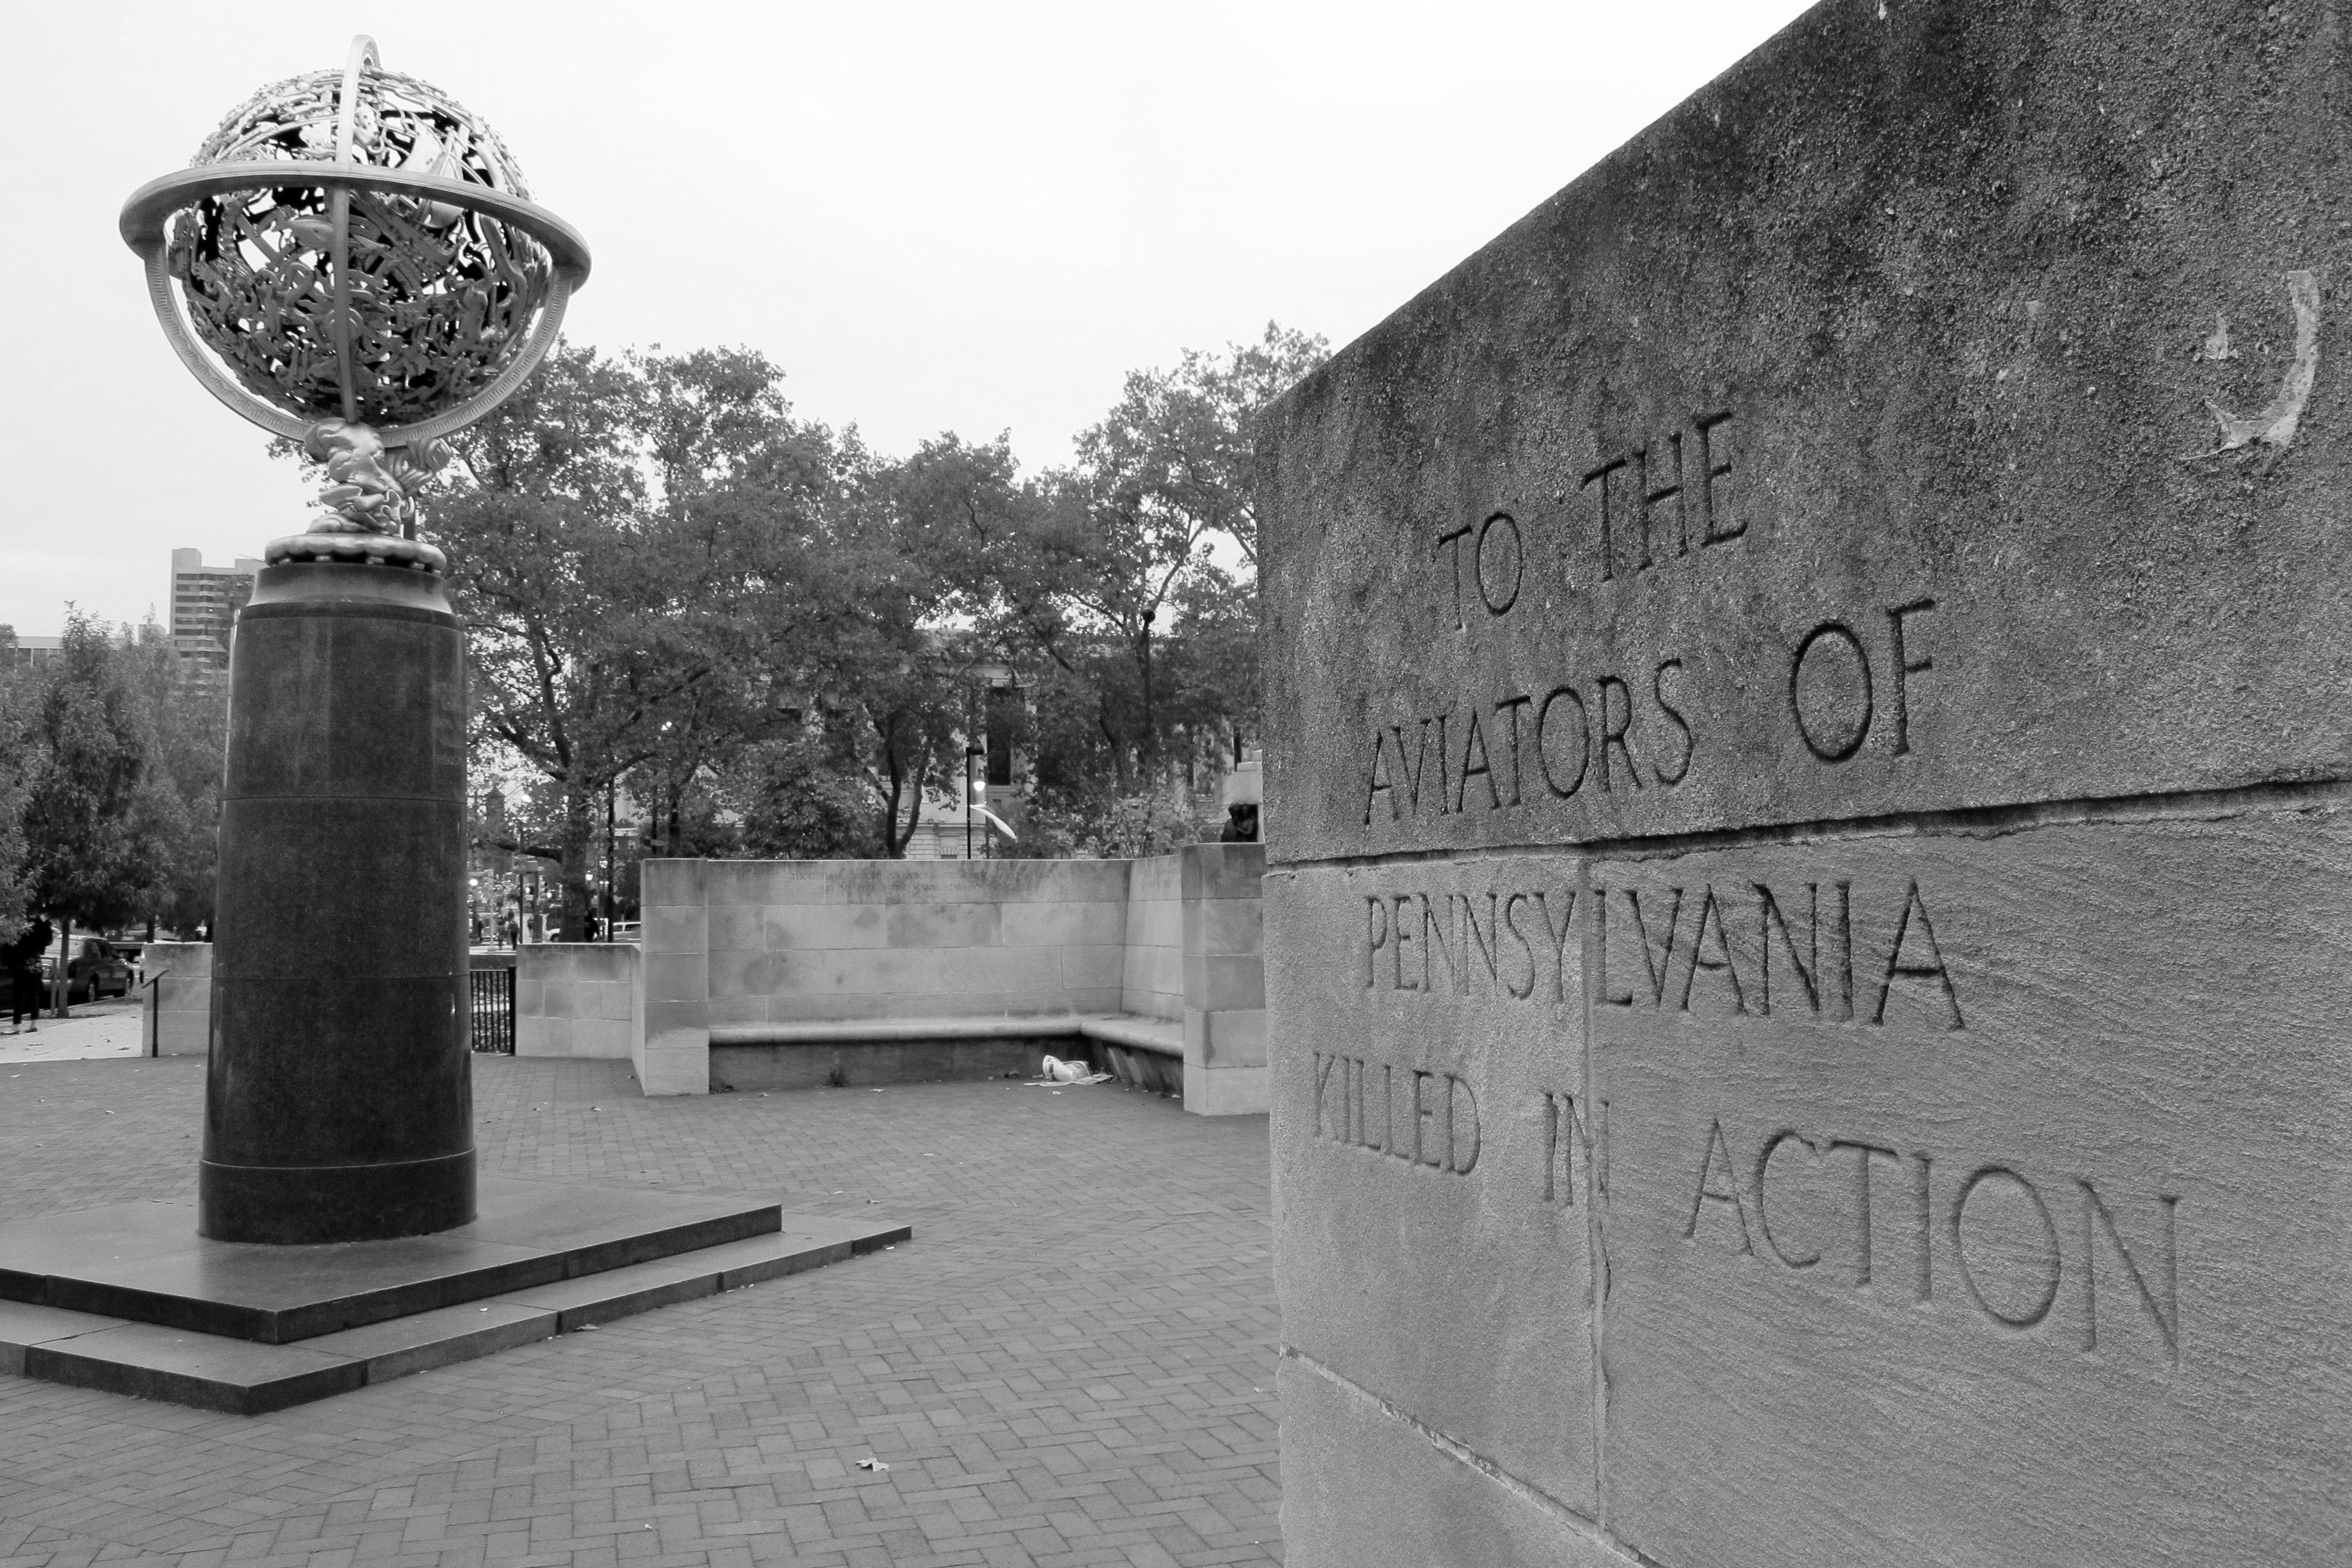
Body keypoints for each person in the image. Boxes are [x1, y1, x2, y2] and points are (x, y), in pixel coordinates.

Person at [6, 917, 52, 1035]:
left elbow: (12, 948)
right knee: (33, 995)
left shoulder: (22, 932)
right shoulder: (40, 930)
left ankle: (16, 1026)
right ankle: (33, 1024)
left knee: (18, 996)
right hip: (36, 966)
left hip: (23, 966)